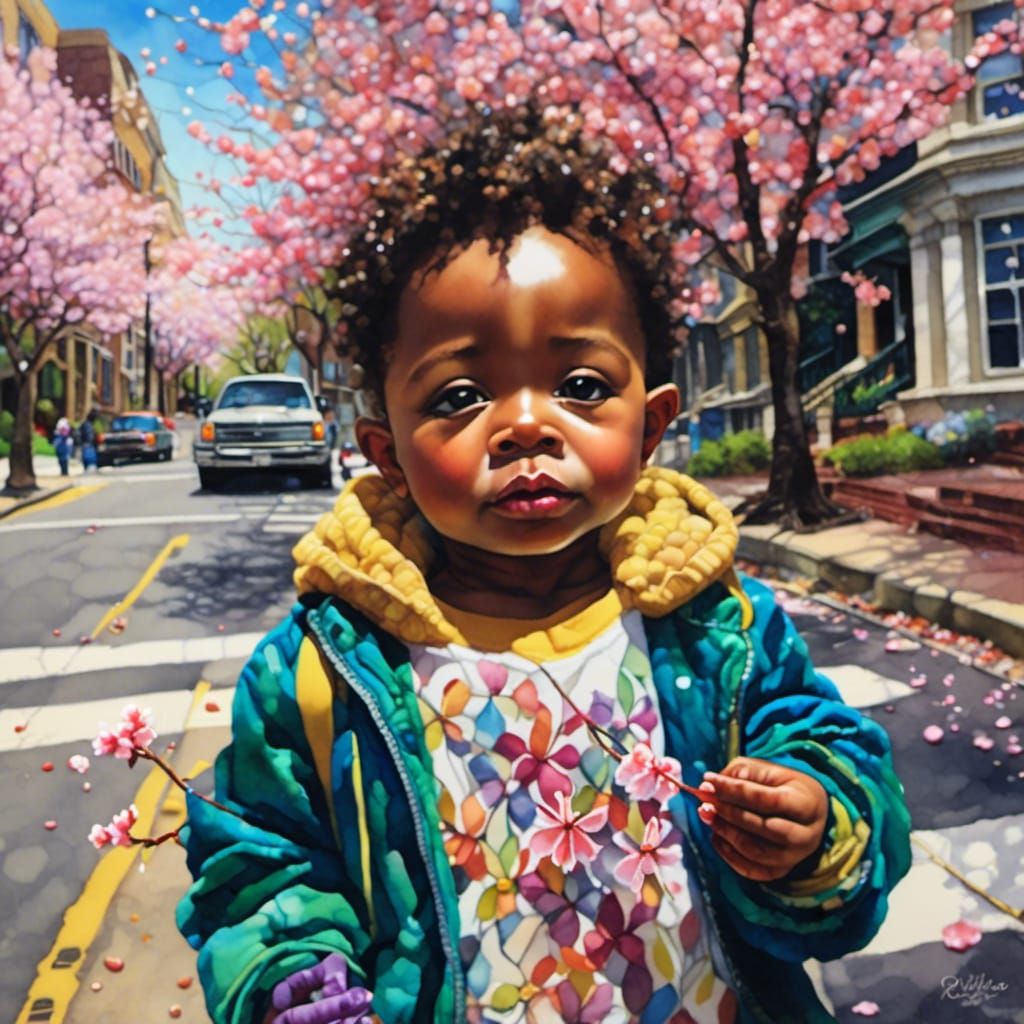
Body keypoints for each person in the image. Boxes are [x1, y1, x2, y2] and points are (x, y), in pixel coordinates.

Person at [177, 106, 911, 1024]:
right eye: (459, 395)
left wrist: (817, 822)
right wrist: (295, 981)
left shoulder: (718, 628)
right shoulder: (323, 672)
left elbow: (828, 752)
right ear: (386, 453)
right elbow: (260, 864)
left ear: (651, 425)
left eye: (581, 386)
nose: (526, 425)